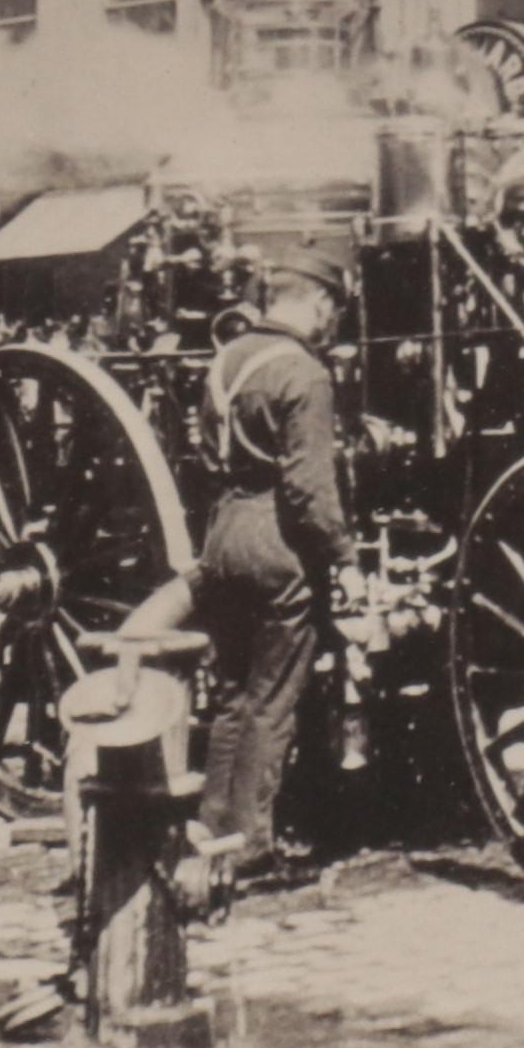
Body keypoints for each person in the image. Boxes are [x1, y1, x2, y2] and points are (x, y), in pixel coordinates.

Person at [177, 269, 349, 908]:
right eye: (333, 308)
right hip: (278, 541)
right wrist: (345, 554)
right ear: (318, 302)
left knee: (231, 695)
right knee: (273, 702)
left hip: (224, 532)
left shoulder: (227, 360)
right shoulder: (304, 373)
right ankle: (252, 849)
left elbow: (200, 455)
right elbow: (309, 489)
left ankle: (210, 829)